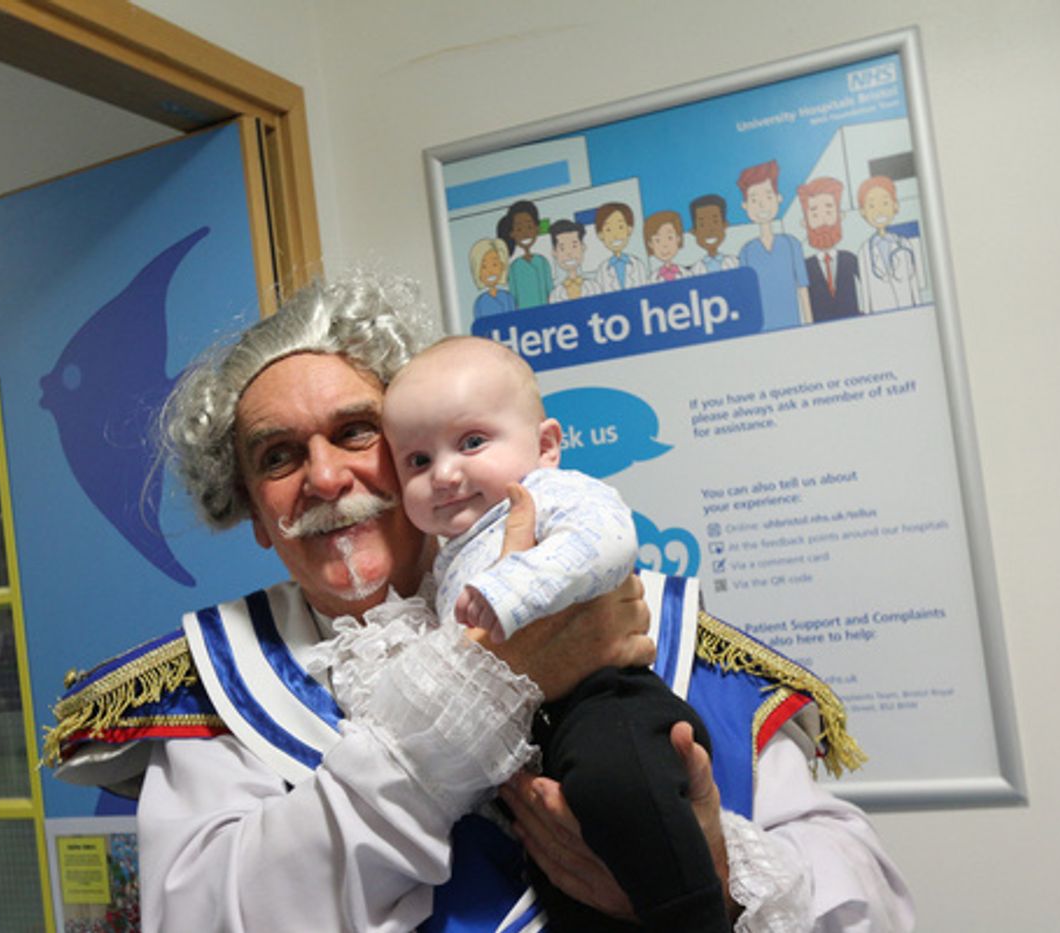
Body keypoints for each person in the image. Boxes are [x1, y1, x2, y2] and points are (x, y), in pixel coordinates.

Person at [45, 272, 914, 932]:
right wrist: (460, 705)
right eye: (278, 456)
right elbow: (206, 914)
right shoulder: (221, 688)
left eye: (355, 432)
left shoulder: (629, 610)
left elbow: (867, 899)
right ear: (255, 517)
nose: (325, 477)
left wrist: (713, 881)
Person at [381, 334, 727, 930]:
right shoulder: (446, 561)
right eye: (417, 461)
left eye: (471, 442)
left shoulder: (549, 492)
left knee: (618, 787)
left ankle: (700, 921)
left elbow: (608, 540)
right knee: (568, 882)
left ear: (545, 446)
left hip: (606, 703)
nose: (444, 474)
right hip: (540, 741)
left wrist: (513, 587)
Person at [736, 160, 812, 330]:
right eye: (754, 200)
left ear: (778, 198)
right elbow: (747, 298)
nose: (762, 205)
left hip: (793, 325)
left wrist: (809, 324)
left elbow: (802, 289)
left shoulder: (791, 244)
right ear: (745, 206)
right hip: (763, 330)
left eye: (768, 196)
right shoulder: (747, 251)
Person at [797, 176, 862, 322]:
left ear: (840, 216)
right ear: (804, 223)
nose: (823, 221)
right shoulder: (805, 267)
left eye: (829, 212)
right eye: (815, 215)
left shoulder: (850, 259)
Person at [854, 176, 919, 312]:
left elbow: (913, 281)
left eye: (885, 203)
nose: (879, 211)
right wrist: (868, 314)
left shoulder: (904, 243)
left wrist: (918, 306)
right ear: (862, 211)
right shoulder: (864, 252)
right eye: (872, 206)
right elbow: (865, 290)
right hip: (881, 312)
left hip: (907, 307)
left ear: (895, 205)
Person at [497, 200, 553, 309]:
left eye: (529, 227)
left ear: (537, 228)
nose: (525, 233)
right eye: (519, 229)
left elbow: (550, 291)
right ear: (512, 233)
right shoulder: (514, 268)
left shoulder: (542, 262)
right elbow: (514, 297)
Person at [592, 202, 650, 292]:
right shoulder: (602, 271)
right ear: (600, 235)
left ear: (629, 229)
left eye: (620, 227)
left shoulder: (638, 265)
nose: (615, 235)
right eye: (608, 229)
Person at [548, 219, 599, 303]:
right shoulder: (555, 294)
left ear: (583, 247)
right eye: (562, 248)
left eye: (574, 246)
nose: (569, 253)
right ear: (554, 252)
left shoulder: (593, 287)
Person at [689, 194, 740, 276]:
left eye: (715, 222)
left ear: (725, 225)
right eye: (702, 225)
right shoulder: (694, 271)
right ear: (694, 231)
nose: (709, 230)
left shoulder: (735, 263)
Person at [468, 237, 517, 319]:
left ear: (502, 266)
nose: (490, 271)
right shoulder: (480, 302)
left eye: (494, 264)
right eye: (484, 267)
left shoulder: (508, 297)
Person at [644, 210, 688, 283]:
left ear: (678, 238)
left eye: (670, 238)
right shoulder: (651, 279)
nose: (664, 245)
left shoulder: (687, 273)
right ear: (650, 244)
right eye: (657, 240)